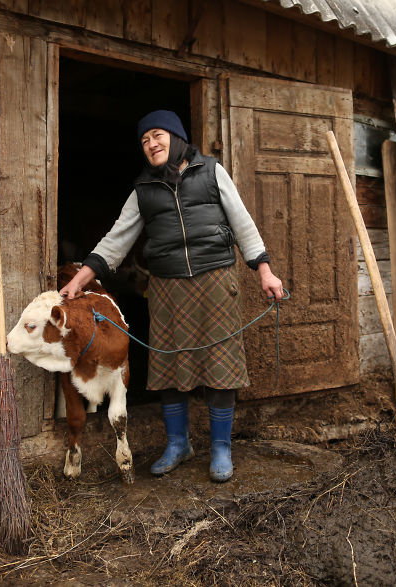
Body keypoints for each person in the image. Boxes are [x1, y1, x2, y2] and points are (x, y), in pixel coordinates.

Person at [60, 110, 283, 482]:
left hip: (215, 280)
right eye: (144, 140)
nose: (151, 144)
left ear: (176, 137)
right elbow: (116, 241)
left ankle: (221, 448)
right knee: (167, 368)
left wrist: (264, 270)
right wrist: (80, 280)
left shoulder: (211, 172)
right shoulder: (143, 189)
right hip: (166, 287)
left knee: (221, 364)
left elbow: (242, 222)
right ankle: (178, 444)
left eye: (157, 135)